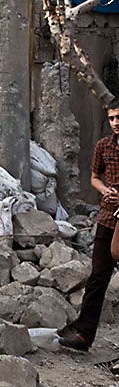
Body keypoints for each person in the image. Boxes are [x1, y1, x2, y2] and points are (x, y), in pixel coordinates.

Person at [60, 99, 119, 352]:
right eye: (112, 118)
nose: (116, 123)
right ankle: (84, 336)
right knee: (97, 277)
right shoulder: (103, 146)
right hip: (107, 219)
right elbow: (94, 177)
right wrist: (105, 190)